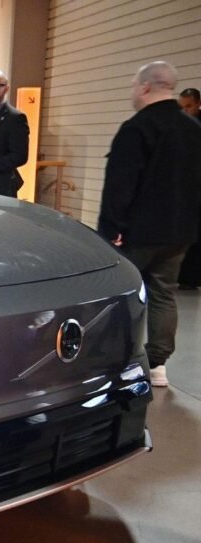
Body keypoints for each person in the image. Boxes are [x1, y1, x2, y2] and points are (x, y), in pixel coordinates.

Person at [98, 61, 201, 387]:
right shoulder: (193, 130)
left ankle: (114, 358)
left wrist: (110, 230)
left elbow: (120, 184)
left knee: (120, 293)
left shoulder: (137, 128)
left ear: (144, 87)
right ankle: (157, 364)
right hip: (179, 232)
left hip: (137, 233)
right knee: (163, 293)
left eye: (133, 85)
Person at [177, 87, 201, 290]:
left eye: (189, 106)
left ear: (198, 104)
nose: (185, 110)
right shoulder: (179, 126)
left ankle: (190, 278)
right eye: (182, 107)